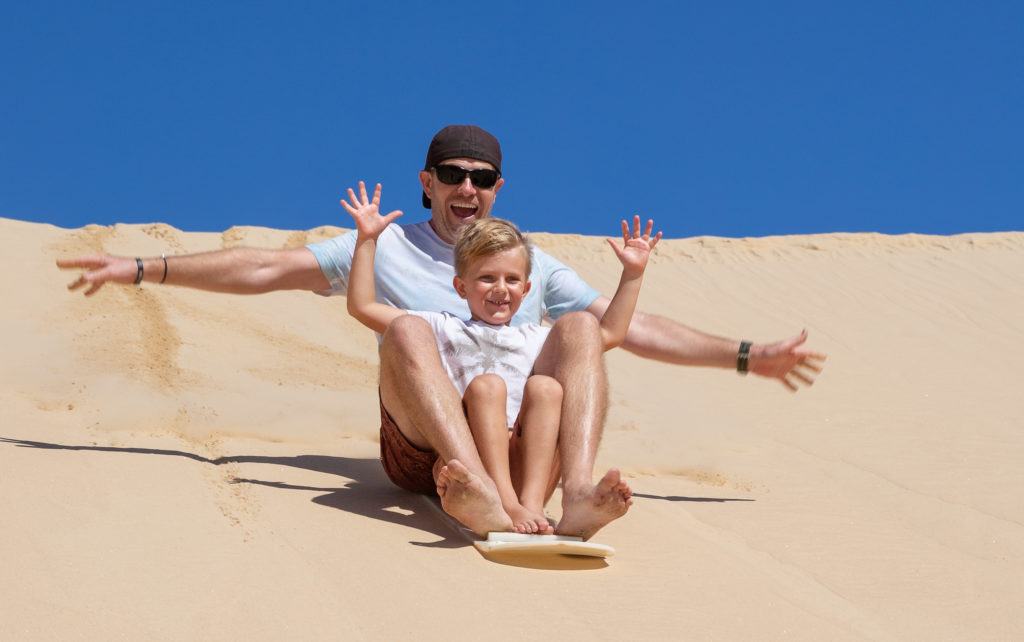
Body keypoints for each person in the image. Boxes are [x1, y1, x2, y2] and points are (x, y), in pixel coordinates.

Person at [57, 124, 826, 539]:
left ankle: (579, 491)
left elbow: (630, 327)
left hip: (528, 439)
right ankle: (475, 489)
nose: (467, 187)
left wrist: (746, 355)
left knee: (583, 335)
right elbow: (266, 269)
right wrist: (140, 268)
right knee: (409, 332)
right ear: (426, 182)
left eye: (481, 178)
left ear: (497, 190)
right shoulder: (387, 245)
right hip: (430, 447)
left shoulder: (526, 264)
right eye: (452, 174)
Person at [340, 179, 661, 534]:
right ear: (460, 286)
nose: (500, 289)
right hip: (456, 461)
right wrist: (367, 239)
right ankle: (487, 494)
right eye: (486, 278)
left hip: (525, 464)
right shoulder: (442, 325)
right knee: (451, 361)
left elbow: (609, 334)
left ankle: (574, 495)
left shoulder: (534, 338)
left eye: (511, 280)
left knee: (556, 369)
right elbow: (362, 306)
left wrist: (632, 275)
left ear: (527, 289)